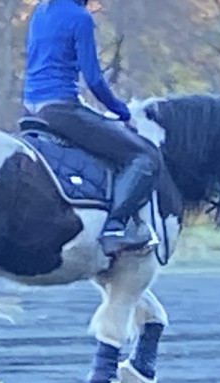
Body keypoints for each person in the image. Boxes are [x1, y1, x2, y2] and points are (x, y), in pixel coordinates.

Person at [22, 0, 161, 256]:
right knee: (145, 157)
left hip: (31, 108)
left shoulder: (40, 11)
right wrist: (122, 111)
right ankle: (115, 229)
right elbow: (94, 79)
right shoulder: (79, 18)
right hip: (61, 109)